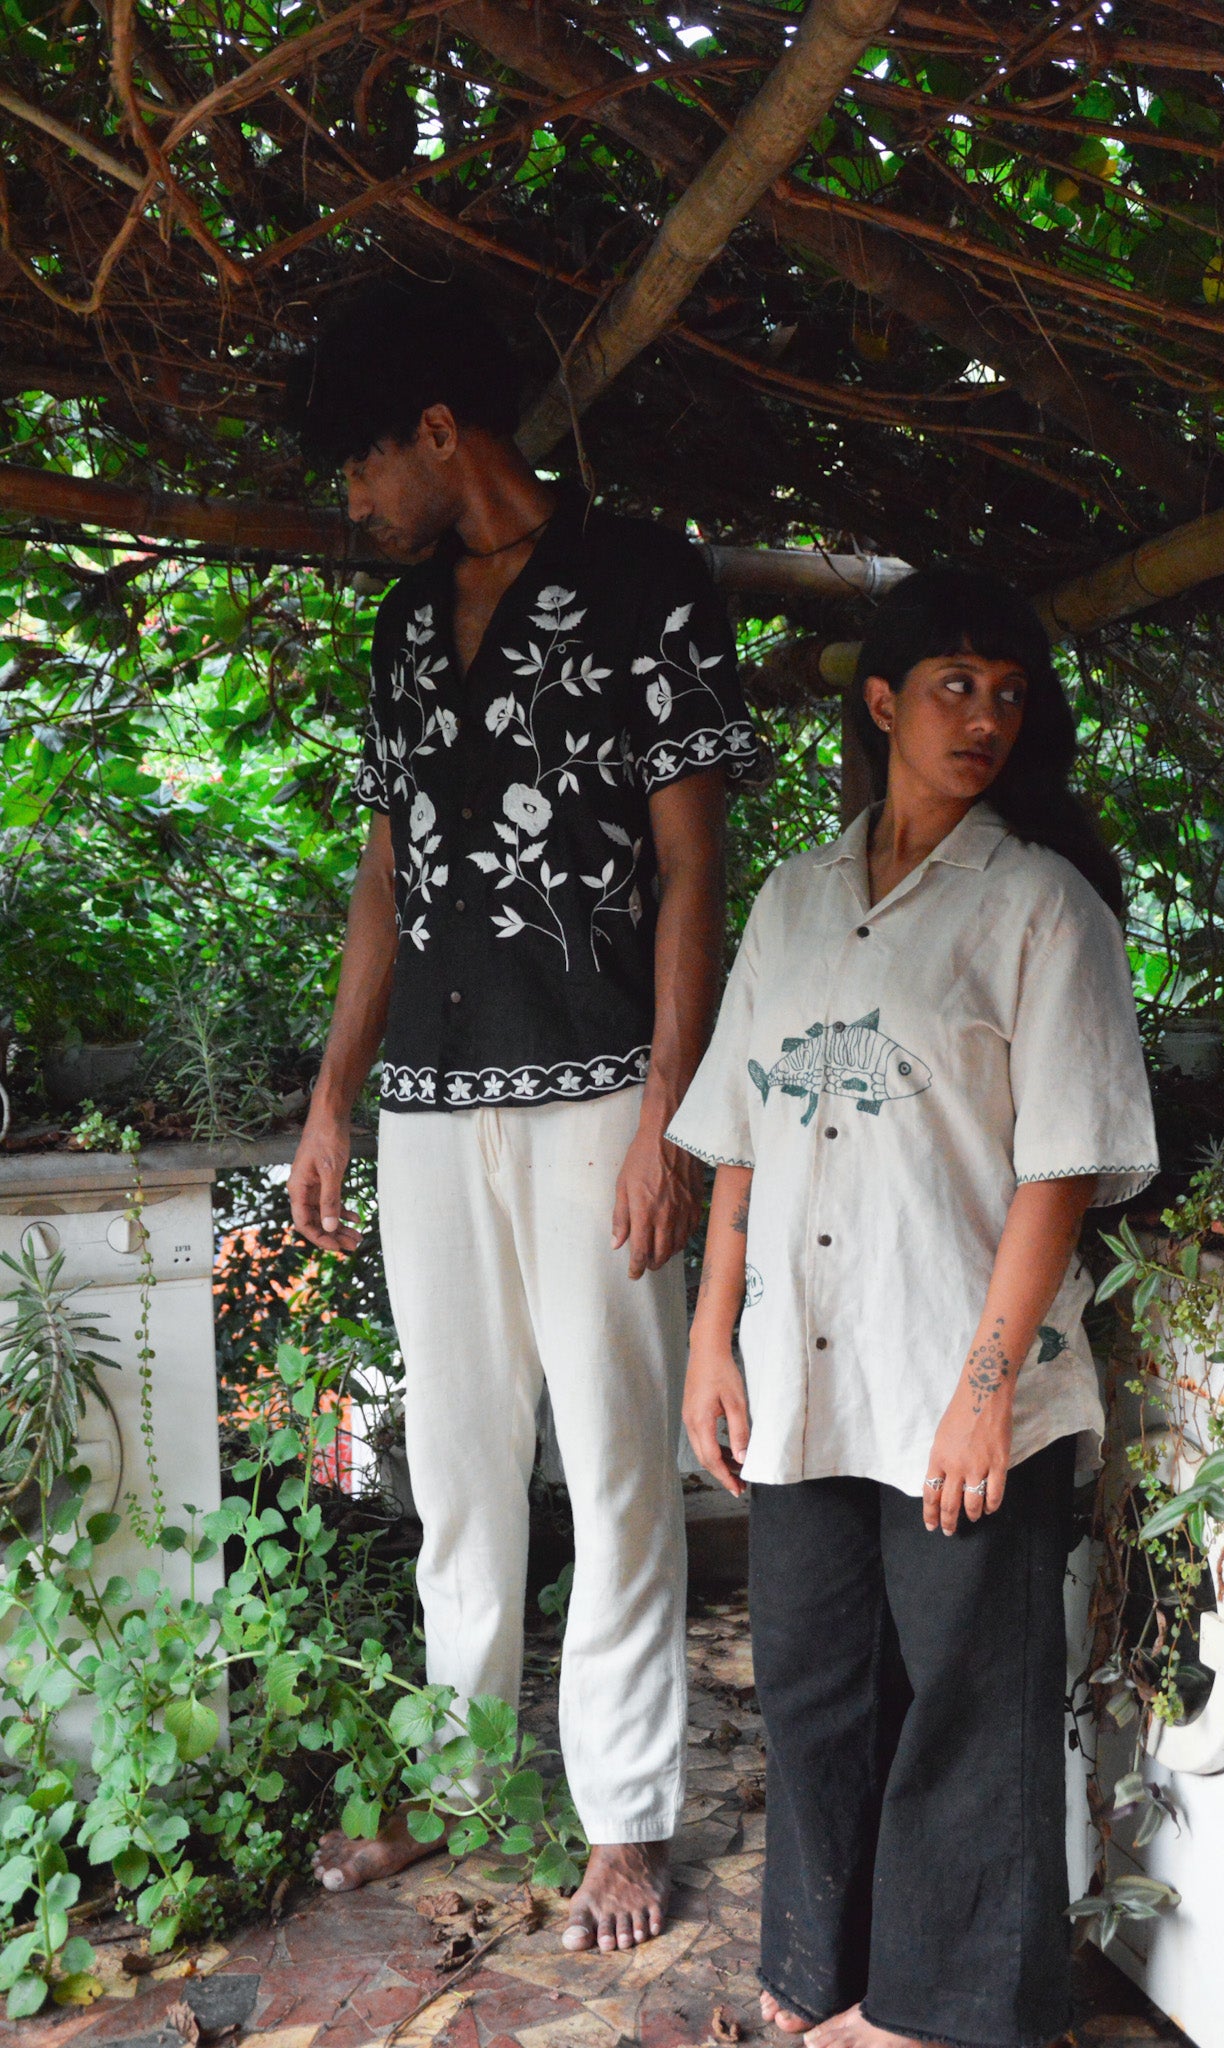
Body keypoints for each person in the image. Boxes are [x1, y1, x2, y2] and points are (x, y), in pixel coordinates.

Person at [284, 277, 763, 1952]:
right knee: (457, 1460)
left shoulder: (647, 581)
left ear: (437, 431)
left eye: (359, 466)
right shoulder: (404, 627)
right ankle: (457, 1775)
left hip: (597, 1101)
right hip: (427, 1103)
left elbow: (696, 862)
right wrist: (334, 1097)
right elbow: (385, 875)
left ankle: (624, 1818)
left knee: (622, 1461)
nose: (351, 504)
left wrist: (671, 1114)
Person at [668, 565, 1158, 2048]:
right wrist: (709, 1334)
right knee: (815, 1682)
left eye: (1009, 694)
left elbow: (1057, 1171)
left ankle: (936, 2013)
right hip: (808, 1370)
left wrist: (985, 1384)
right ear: (880, 702)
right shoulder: (793, 899)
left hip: (958, 1377)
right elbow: (743, 1132)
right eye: (955, 686)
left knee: (965, 1696)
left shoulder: (1039, 905)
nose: (985, 718)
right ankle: (823, 1974)